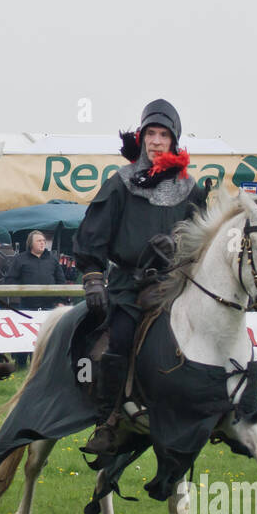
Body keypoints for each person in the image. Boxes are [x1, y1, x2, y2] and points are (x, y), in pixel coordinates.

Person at [73, 98, 209, 457]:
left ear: (174, 140)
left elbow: (203, 237)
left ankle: (213, 408)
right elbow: (93, 234)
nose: (156, 141)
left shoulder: (191, 189)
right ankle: (109, 419)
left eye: (163, 134)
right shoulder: (121, 182)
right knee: (118, 340)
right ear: (142, 137)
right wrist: (92, 276)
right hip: (130, 286)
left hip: (177, 285)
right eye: (151, 133)